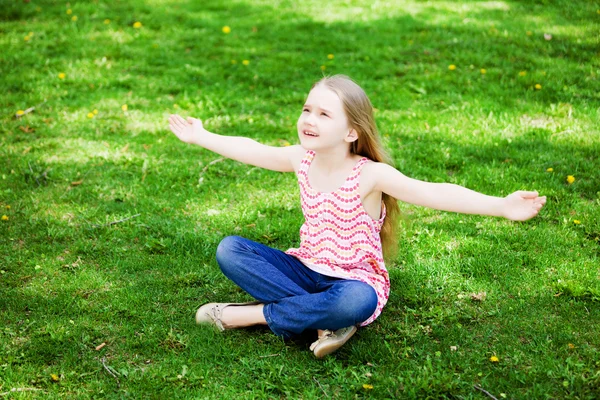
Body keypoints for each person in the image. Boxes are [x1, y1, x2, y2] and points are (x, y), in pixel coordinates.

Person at [167, 75, 546, 358]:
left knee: (355, 302)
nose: (309, 120)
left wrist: (501, 205)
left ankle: (246, 316)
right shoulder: (302, 158)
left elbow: (433, 192)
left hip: (353, 281)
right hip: (306, 267)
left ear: (351, 131)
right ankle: (323, 319)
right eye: (306, 110)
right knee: (230, 249)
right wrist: (202, 136)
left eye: (323, 114)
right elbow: (252, 149)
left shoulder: (369, 175)